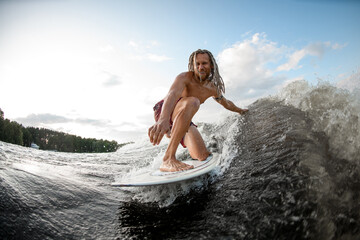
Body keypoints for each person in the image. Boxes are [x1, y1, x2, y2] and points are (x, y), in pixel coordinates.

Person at [148, 49, 248, 172]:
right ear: (193, 65)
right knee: (193, 101)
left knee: (202, 156)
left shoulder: (212, 88)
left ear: (211, 65)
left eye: (204, 63)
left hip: (183, 118)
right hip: (166, 110)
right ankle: (168, 159)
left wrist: (241, 111)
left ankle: (175, 136)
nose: (200, 67)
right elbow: (172, 95)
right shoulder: (184, 78)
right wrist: (163, 119)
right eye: (197, 64)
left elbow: (226, 103)